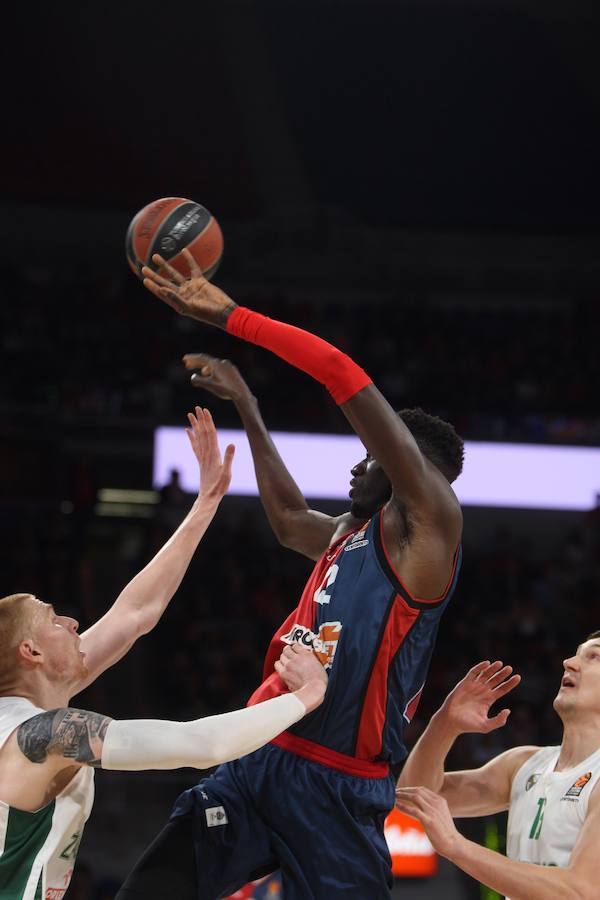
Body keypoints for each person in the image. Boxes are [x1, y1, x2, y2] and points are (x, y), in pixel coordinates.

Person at [121, 251, 465, 899]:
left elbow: (340, 372)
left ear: (403, 463)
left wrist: (230, 316)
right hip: (263, 754)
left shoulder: (430, 525)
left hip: (337, 784)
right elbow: (284, 519)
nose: (356, 468)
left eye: (369, 457)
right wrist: (248, 405)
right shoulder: (347, 534)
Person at [0, 407, 327, 900]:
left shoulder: (29, 710)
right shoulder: (43, 735)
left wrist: (205, 504)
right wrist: (305, 696)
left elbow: (135, 614)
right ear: (30, 652)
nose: (72, 621)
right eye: (53, 618)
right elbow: (202, 746)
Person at [395, 642, 600, 900]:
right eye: (576, 653)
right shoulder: (524, 764)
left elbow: (582, 892)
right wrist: (445, 724)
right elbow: (415, 796)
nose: (569, 662)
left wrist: (456, 846)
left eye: (594, 657)